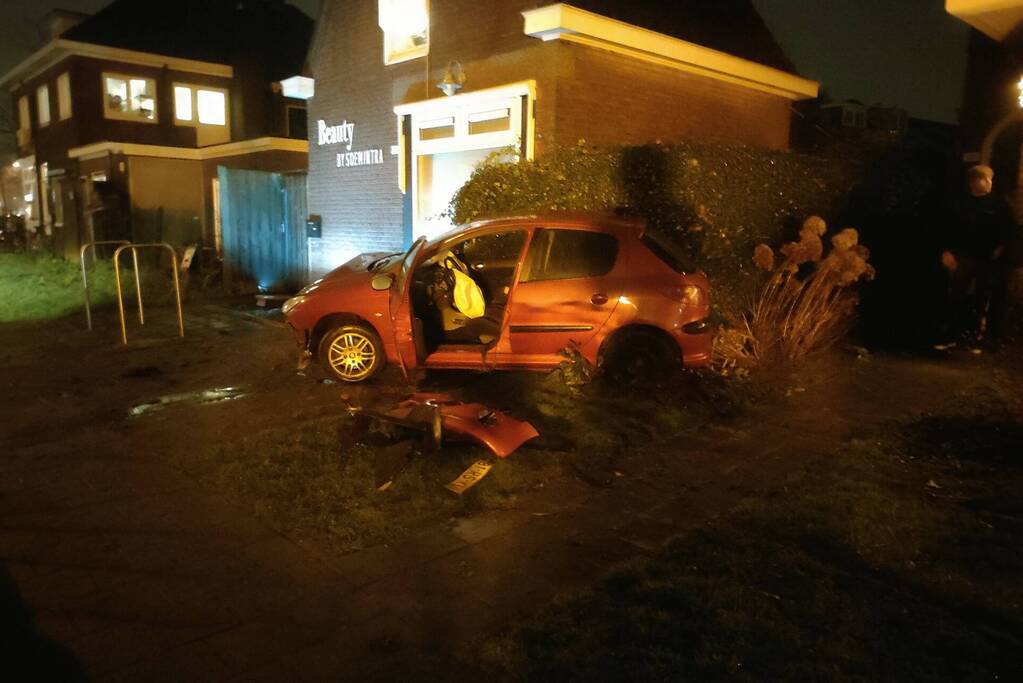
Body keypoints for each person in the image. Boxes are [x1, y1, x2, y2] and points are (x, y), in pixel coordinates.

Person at [937, 164, 1016, 351]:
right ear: (975, 181)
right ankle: (952, 335)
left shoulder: (999, 204)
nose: (990, 183)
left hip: (987, 259)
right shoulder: (960, 204)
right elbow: (947, 228)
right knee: (956, 296)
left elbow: (1009, 230)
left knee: (982, 298)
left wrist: (1001, 249)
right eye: (987, 179)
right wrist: (947, 251)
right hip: (963, 258)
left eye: (990, 179)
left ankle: (975, 337)